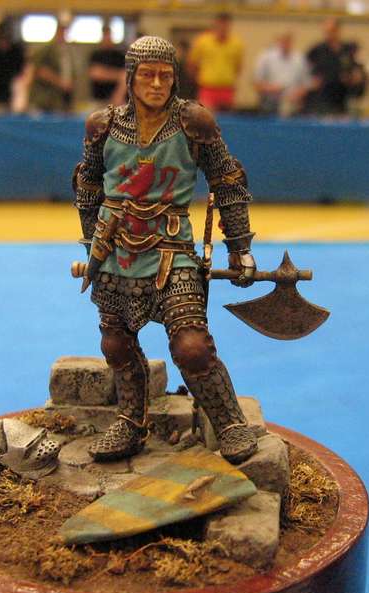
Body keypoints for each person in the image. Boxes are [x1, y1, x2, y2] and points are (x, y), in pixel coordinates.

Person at [73, 36, 259, 465]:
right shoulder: (103, 125)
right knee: (116, 344)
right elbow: (88, 185)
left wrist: (239, 248)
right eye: (147, 75)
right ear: (131, 77)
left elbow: (227, 181)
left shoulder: (193, 122)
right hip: (115, 251)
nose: (156, 84)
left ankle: (229, 423)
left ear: (175, 79)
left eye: (165, 76)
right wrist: (92, 243)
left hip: (171, 250)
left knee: (192, 347)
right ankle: (131, 421)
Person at [303, 18, 365, 116]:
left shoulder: (348, 50)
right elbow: (306, 73)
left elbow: (357, 73)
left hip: (343, 100)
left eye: (331, 31)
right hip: (321, 101)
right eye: (326, 31)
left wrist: (354, 78)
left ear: (338, 31)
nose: (328, 34)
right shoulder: (316, 51)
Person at [187, 13, 244, 112]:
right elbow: (192, 63)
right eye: (221, 24)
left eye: (226, 25)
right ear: (215, 24)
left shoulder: (237, 44)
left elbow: (238, 67)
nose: (223, 28)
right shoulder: (203, 41)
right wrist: (198, 80)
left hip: (227, 89)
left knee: (228, 119)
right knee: (207, 117)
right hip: (208, 88)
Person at [253, 33, 310, 116]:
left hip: (293, 104)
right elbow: (257, 84)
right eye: (283, 41)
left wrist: (297, 94)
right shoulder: (265, 57)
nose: (285, 44)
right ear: (278, 42)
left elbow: (306, 84)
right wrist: (271, 89)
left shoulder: (299, 59)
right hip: (270, 103)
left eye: (288, 41)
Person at [28, 22, 75, 112]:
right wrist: (60, 82)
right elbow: (39, 70)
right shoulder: (47, 49)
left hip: (61, 100)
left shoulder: (68, 52)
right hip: (44, 98)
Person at [88, 25, 125, 106]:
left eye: (109, 36)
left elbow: (125, 76)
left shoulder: (119, 56)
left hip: (116, 100)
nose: (107, 38)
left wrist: (106, 73)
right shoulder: (96, 55)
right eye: (105, 36)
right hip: (99, 100)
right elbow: (96, 74)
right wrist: (117, 75)